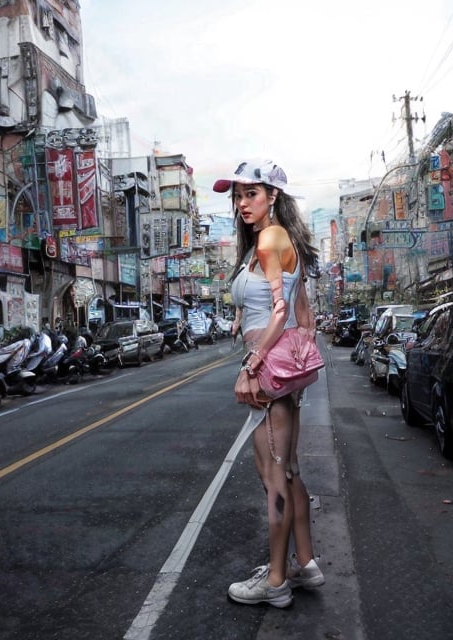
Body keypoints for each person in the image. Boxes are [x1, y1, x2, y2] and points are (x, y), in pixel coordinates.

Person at [213, 159, 324, 608]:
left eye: (251, 194)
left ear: (273, 196)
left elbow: (280, 312)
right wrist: (296, 354)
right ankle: (307, 564)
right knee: (291, 471)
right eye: (237, 195)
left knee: (272, 476)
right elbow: (304, 316)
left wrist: (254, 362)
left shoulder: (268, 239)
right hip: (284, 367)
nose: (242, 203)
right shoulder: (283, 240)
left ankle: (275, 582)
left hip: (268, 370)